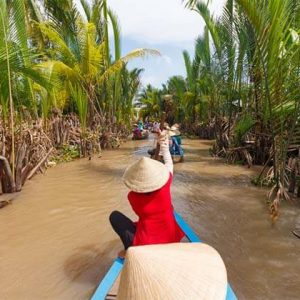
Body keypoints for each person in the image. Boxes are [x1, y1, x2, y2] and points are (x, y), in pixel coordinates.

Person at [109, 130, 184, 255]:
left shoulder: (132, 197)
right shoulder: (165, 184)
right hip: (171, 236)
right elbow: (169, 163)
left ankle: (129, 249)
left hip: (146, 243)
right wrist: (163, 144)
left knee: (114, 216)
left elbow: (138, 192)